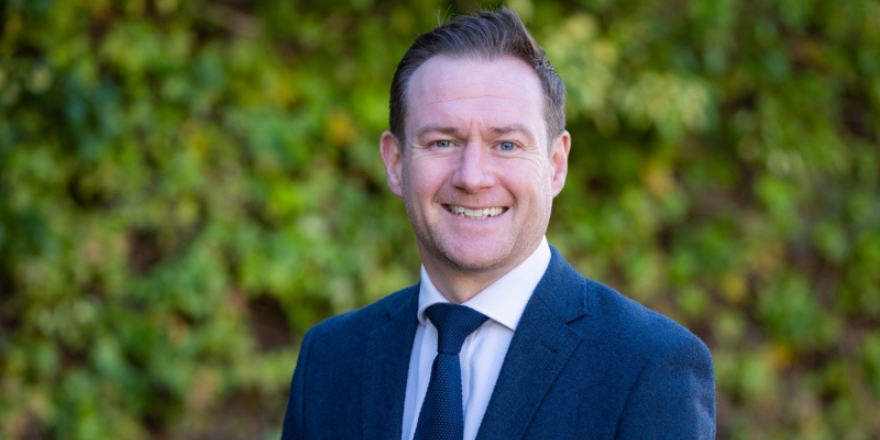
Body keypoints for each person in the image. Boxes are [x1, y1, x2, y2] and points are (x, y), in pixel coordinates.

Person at [281, 8, 715, 440]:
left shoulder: (648, 366)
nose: (472, 176)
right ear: (395, 163)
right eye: (442, 142)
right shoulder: (331, 359)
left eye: (506, 144)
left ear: (555, 165)